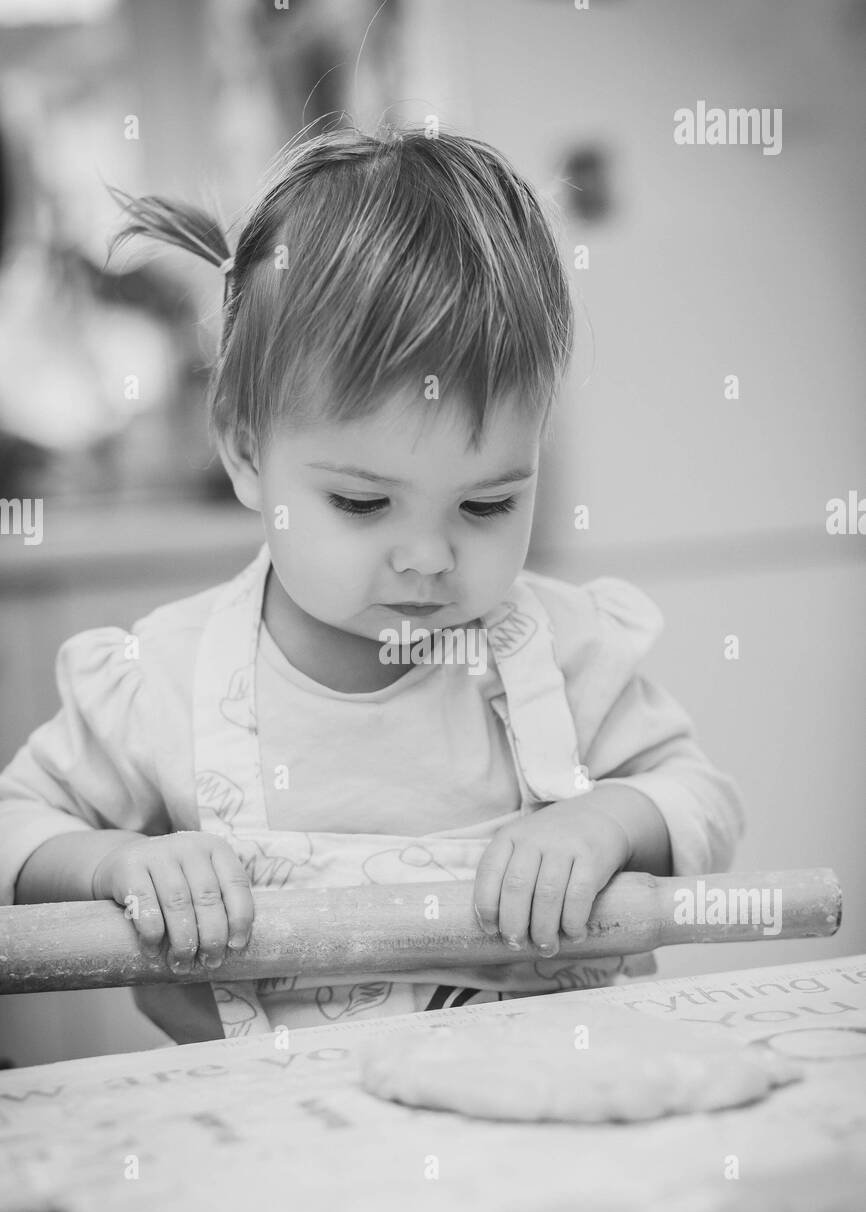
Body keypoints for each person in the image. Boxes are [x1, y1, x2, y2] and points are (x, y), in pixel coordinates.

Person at [0, 124, 745, 1042]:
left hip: (551, 1129)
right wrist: (115, 864)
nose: (428, 558)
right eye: (361, 504)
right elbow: (15, 830)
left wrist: (611, 824)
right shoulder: (164, 675)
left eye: (486, 506)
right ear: (242, 448)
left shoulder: (562, 649)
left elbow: (705, 802)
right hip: (286, 1154)